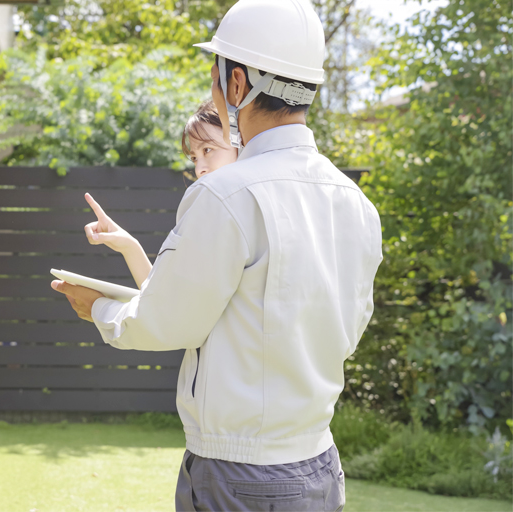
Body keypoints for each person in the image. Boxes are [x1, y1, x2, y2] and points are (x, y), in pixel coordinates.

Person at [52, 0, 383, 510]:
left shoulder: (226, 195)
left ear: (236, 86)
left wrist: (95, 307)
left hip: (240, 475)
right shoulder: (357, 205)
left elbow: (165, 324)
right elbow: (347, 329)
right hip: (320, 466)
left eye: (215, 77)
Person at [82, 99, 238, 290]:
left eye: (208, 150)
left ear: (241, 144)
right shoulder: (209, 214)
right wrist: (128, 246)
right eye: (195, 158)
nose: (199, 169)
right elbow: (165, 302)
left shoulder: (247, 215)